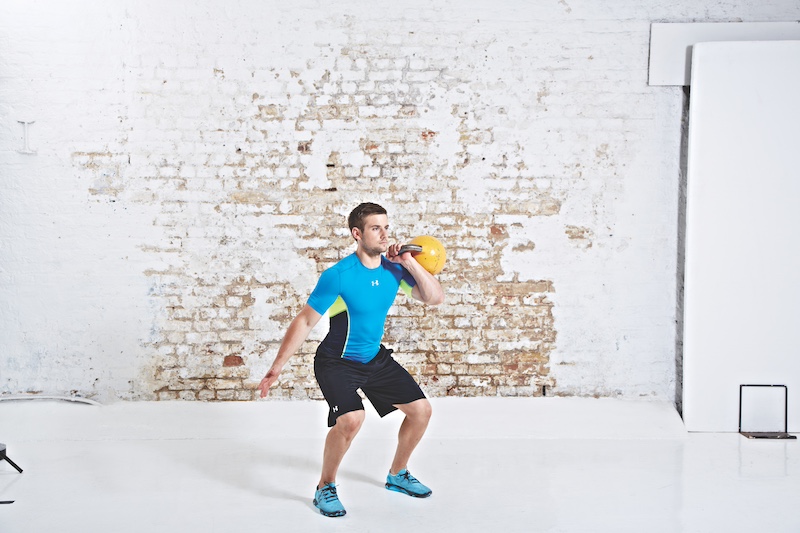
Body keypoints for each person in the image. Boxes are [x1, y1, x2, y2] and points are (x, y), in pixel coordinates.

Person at [257, 202, 445, 518]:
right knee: (352, 419)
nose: (385, 234)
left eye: (386, 227)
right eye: (376, 228)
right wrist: (276, 367)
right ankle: (324, 487)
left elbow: (434, 298)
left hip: (374, 359)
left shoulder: (395, 270)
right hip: (336, 362)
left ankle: (397, 475)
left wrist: (409, 262)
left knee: (421, 411)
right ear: (357, 234)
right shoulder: (339, 276)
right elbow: (304, 321)